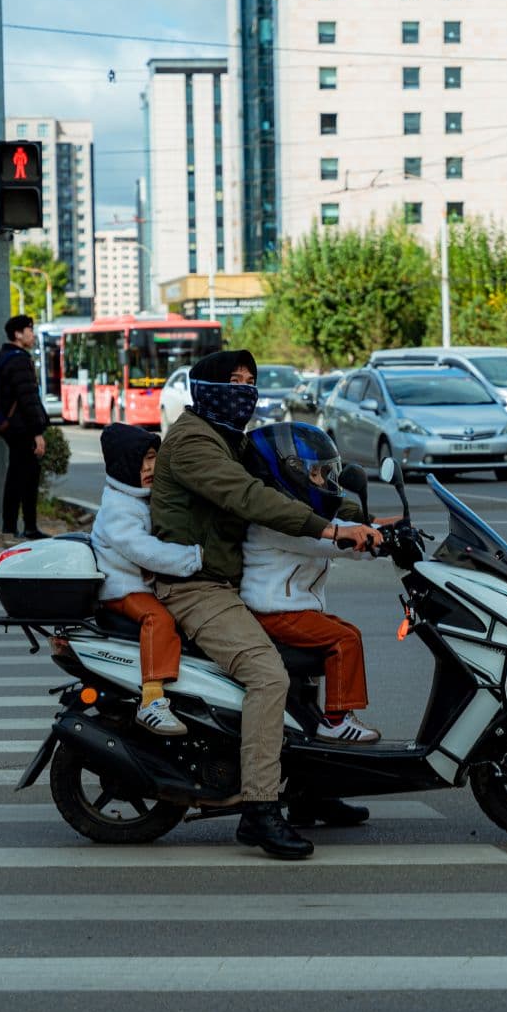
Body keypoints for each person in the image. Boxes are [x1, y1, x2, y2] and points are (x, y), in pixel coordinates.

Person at [149, 349, 381, 860]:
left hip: (229, 583)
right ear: (206, 387)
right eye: (234, 381)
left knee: (311, 660)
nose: (246, 391)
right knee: (268, 676)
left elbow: (296, 480)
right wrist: (332, 529)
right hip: (196, 588)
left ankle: (309, 790)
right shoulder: (192, 444)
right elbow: (252, 498)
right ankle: (259, 807)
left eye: (251, 381)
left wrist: (347, 504)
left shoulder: (228, 438)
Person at [241, 422, 381, 746]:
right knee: (344, 640)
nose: (322, 481)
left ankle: (323, 717)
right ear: (288, 473)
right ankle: (336, 720)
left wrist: (374, 530)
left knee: (351, 634)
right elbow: (324, 539)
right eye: (315, 474)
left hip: (291, 609)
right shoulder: (278, 521)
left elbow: (333, 528)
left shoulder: (298, 515)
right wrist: (361, 539)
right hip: (275, 611)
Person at [93, 423, 202, 736]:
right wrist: (191, 558)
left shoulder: (139, 497)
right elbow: (145, 551)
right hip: (121, 587)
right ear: (124, 465)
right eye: (142, 461)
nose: (150, 467)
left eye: (154, 458)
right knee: (158, 619)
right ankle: (151, 699)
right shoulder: (119, 506)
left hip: (139, 583)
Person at [0, 314, 50, 540]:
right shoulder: (19, 360)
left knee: (16, 474)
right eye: (29, 330)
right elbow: (28, 398)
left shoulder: (1, 357)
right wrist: (38, 432)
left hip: (9, 426)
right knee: (25, 476)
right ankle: (27, 527)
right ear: (18, 334)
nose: (32, 334)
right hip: (22, 428)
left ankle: (12, 526)